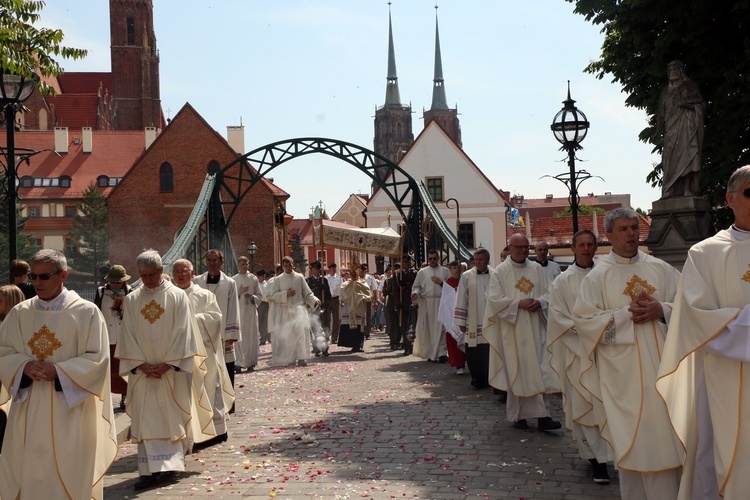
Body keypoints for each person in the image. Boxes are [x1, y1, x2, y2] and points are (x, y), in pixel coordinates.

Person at [573, 208, 682, 499]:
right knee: (632, 447)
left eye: (634, 227)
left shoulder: (662, 269)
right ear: (608, 235)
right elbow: (584, 323)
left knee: (665, 444)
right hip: (623, 380)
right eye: (623, 229)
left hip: (664, 373)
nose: (632, 234)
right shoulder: (597, 278)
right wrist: (624, 316)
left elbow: (689, 308)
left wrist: (662, 310)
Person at [656, 165, 750, 499]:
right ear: (730, 199)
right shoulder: (705, 253)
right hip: (721, 375)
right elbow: (696, 318)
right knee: (722, 455)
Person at [0, 249, 117, 498]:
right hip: (28, 409)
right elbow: (3, 352)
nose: (37, 282)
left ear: (63, 275)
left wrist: (59, 371)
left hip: (70, 412)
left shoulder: (86, 312)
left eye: (44, 276)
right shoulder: (20, 313)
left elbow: (97, 358)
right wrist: (23, 366)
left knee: (68, 473)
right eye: (33, 276)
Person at [118, 250, 214, 490]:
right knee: (146, 417)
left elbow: (184, 331)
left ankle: (171, 466)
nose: (147, 280)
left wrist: (168, 363)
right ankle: (147, 470)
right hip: (143, 372)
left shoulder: (178, 297)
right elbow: (127, 334)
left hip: (170, 370)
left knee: (170, 417)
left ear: (161, 271)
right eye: (143, 275)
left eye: (151, 274)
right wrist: (140, 364)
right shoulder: (132, 299)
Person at [547, 230, 613, 484]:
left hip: (607, 352)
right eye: (581, 245)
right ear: (573, 248)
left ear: (596, 247)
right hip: (577, 353)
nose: (586, 249)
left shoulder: (605, 275)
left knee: (607, 405)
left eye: (590, 244)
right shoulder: (562, 282)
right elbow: (558, 318)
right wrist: (587, 330)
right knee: (586, 404)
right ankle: (597, 461)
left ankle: (614, 455)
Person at [483, 234, 561, 431]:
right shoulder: (501, 272)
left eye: (526, 247)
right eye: (519, 247)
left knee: (541, 369)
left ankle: (544, 416)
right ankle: (519, 416)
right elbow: (494, 300)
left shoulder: (536, 268)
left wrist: (540, 302)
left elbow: (550, 292)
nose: (523, 251)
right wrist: (518, 304)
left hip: (536, 327)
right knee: (517, 371)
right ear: (510, 248)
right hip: (513, 331)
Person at [173, 258, 234, 446]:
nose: (181, 275)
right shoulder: (169, 297)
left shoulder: (204, 295)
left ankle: (216, 431)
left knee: (209, 388)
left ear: (192, 274)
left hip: (205, 353)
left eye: (184, 271)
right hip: (180, 354)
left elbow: (215, 319)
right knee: (187, 393)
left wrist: (192, 319)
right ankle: (193, 432)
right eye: (177, 271)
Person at [652, 60, 705, 199]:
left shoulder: (689, 86)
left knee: (687, 157)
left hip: (686, 128)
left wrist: (688, 106)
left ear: (681, 71)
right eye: (670, 70)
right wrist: (658, 132)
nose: (673, 72)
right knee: (669, 160)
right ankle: (669, 189)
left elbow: (701, 107)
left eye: (676, 70)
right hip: (671, 130)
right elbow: (661, 114)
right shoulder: (665, 92)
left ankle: (687, 189)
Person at [194, 249, 241, 395]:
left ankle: (228, 402)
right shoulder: (197, 281)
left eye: (215, 260)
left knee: (225, 368)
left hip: (222, 334)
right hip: (201, 333)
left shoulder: (229, 283)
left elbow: (233, 307)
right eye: (209, 260)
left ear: (222, 262)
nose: (212, 263)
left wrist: (231, 334)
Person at [265, 256, 320, 366]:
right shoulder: (278, 279)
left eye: (290, 265)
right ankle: (291, 358)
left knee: (300, 335)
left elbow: (307, 293)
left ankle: (301, 357)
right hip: (286, 311)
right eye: (286, 266)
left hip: (299, 309)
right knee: (289, 336)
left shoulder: (299, 278)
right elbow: (272, 295)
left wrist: (315, 300)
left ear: (293, 264)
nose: (288, 268)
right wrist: (285, 294)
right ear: (283, 267)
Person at [454, 248, 494, 389]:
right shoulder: (466, 276)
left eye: (481, 259)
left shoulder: (496, 275)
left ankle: (491, 379)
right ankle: (477, 378)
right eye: (475, 260)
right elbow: (461, 298)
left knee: (490, 352)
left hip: (491, 321)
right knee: (474, 351)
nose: (477, 262)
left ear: (488, 260)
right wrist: (460, 321)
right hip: (473, 320)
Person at [94, 264, 132, 410]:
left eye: (119, 281)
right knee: (108, 370)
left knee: (122, 370)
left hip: (123, 337)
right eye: (113, 281)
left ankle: (125, 396)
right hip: (106, 337)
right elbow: (96, 311)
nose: (116, 284)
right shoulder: (101, 292)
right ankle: (106, 397)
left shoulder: (130, 293)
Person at [411, 250, 450, 362]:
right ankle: (431, 353)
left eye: (434, 258)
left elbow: (450, 286)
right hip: (426, 302)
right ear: (428, 260)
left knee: (441, 328)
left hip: (440, 302)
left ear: (438, 259)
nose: (432, 260)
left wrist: (441, 282)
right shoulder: (422, 272)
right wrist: (415, 294)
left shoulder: (445, 271)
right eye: (430, 258)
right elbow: (417, 286)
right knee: (428, 329)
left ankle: (442, 353)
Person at [233, 256, 262, 372]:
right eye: (242, 264)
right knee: (239, 338)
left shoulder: (253, 279)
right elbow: (229, 298)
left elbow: (260, 295)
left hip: (250, 312)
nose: (245, 266)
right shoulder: (233, 280)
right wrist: (239, 293)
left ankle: (250, 362)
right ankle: (239, 363)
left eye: (247, 264)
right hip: (239, 312)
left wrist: (252, 297)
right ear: (238, 266)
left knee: (250, 337)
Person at [438, 260, 466, 375]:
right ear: (450, 270)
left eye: (458, 267)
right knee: (454, 341)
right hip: (452, 316)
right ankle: (459, 365)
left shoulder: (465, 280)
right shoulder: (448, 284)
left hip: (465, 315)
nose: (456, 270)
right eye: (454, 267)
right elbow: (445, 302)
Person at [338, 262, 371, 353]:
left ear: (358, 274)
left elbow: (367, 293)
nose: (353, 276)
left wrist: (360, 296)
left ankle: (359, 345)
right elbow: (343, 293)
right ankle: (352, 344)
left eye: (355, 274)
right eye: (352, 274)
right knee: (351, 328)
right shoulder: (346, 284)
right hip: (349, 309)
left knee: (360, 327)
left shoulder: (362, 283)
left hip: (359, 308)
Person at [306, 261, 332, 356]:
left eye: (319, 269)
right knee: (315, 329)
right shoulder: (308, 281)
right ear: (311, 270)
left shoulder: (324, 280)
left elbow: (329, 295)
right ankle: (316, 348)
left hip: (323, 308)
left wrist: (326, 303)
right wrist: (318, 289)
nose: (318, 270)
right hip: (313, 308)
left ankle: (325, 348)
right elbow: (308, 294)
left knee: (325, 328)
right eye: (316, 269)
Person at [393, 255, 417, 355]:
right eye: (405, 262)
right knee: (404, 325)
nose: (407, 264)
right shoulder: (397, 274)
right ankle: (406, 346)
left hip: (412, 303)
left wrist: (406, 284)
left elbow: (416, 285)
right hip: (402, 304)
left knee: (413, 324)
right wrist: (397, 303)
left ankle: (412, 344)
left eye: (408, 262)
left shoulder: (414, 273)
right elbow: (395, 290)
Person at [325, 263, 341, 343]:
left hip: (335, 299)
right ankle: (327, 336)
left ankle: (334, 337)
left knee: (336, 319)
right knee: (327, 319)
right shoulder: (325, 278)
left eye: (335, 268)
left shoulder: (339, 278)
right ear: (329, 269)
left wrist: (341, 300)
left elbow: (341, 290)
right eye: (333, 268)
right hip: (327, 300)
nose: (334, 270)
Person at [256, 269, 271, 345]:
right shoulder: (256, 285)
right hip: (260, 304)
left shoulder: (267, 284)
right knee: (261, 322)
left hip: (267, 303)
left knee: (267, 321)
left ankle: (269, 337)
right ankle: (263, 338)